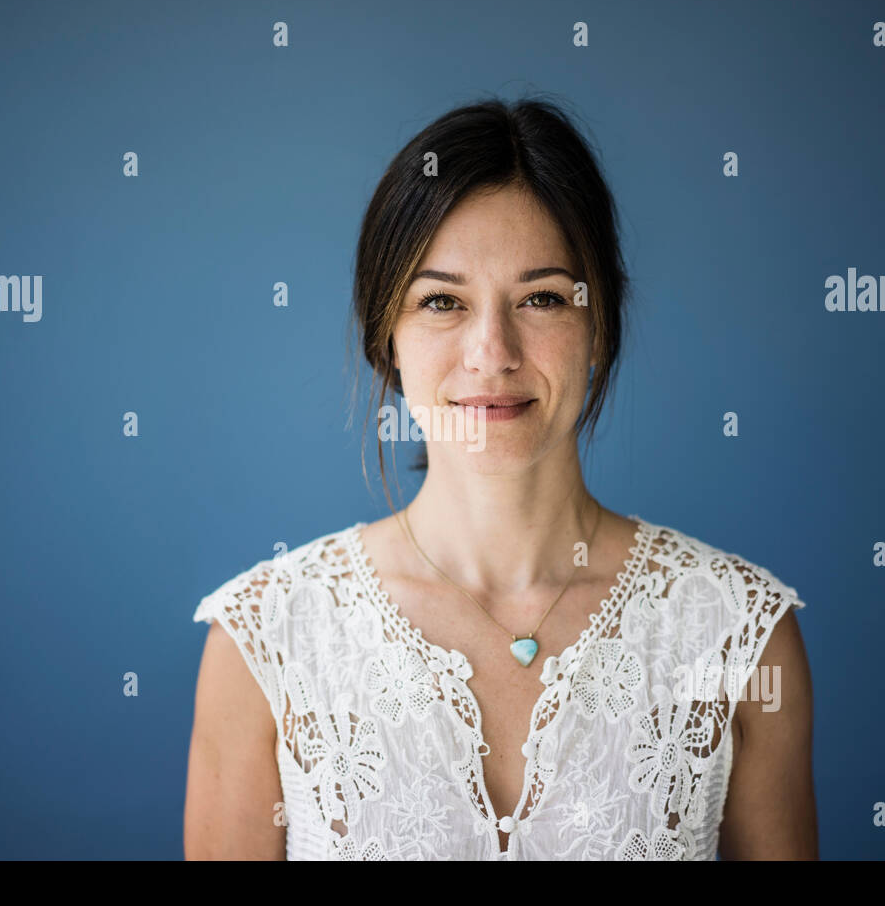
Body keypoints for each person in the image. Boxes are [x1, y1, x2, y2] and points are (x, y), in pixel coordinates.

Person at [185, 95, 816, 860]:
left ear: (600, 325)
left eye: (542, 297)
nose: (492, 351)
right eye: (442, 301)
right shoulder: (265, 641)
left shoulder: (737, 634)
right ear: (387, 335)